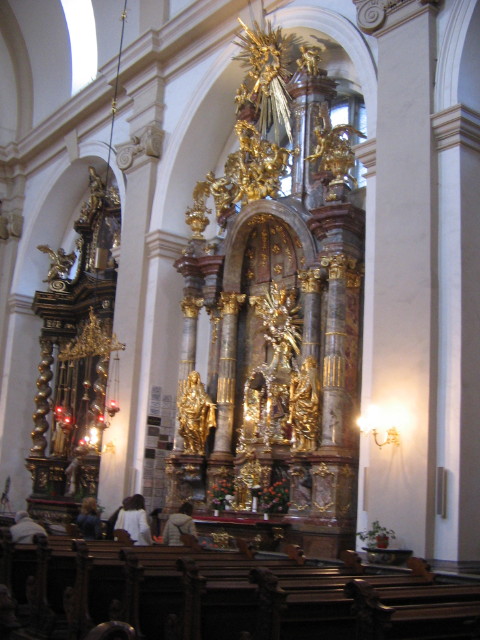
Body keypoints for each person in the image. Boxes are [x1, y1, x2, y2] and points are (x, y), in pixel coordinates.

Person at [177, 371, 216, 455]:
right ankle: (190, 447)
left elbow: (204, 397)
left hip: (196, 412)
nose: (194, 378)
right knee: (186, 431)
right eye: (193, 377)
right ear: (190, 378)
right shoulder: (187, 389)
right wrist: (181, 404)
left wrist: (209, 403)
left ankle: (199, 447)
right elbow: (182, 399)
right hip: (187, 411)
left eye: (195, 377)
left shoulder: (199, 388)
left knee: (195, 430)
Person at [289, 356, 322, 452]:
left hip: (308, 403)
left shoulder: (312, 372)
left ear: (310, 363)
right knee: (299, 422)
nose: (304, 365)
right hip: (300, 402)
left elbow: (307, 387)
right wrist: (294, 381)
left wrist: (296, 396)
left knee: (309, 422)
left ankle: (312, 443)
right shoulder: (305, 375)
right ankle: (302, 443)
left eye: (305, 363)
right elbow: (300, 383)